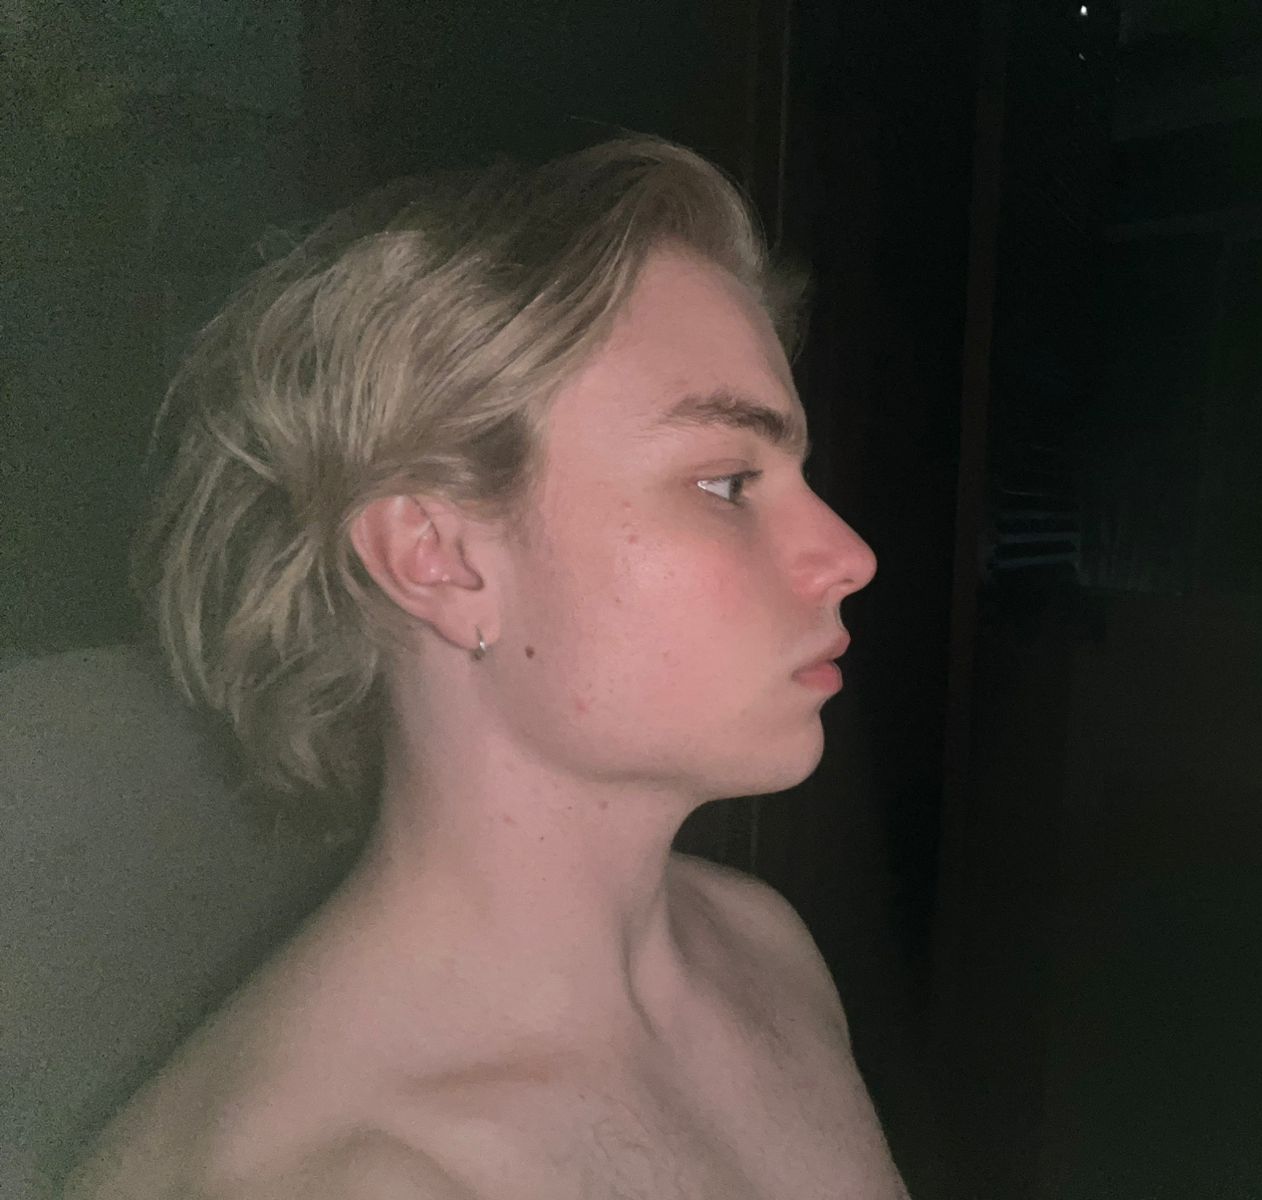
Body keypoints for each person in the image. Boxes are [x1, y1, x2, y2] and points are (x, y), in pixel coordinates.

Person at [65, 137, 907, 1199]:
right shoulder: (325, 1176)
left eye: (797, 472)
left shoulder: (762, 949)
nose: (849, 554)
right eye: (728, 483)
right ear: (438, 560)